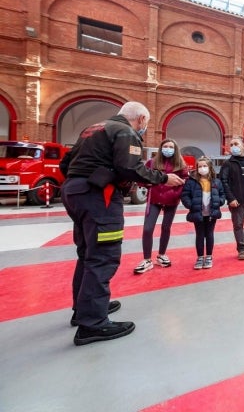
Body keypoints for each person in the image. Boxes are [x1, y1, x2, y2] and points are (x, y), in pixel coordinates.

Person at [60, 101, 185, 346]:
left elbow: (66, 164)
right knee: (103, 255)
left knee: (87, 253)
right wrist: (163, 178)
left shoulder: (92, 129)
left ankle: (84, 309)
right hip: (99, 196)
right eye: (145, 123)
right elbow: (130, 168)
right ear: (140, 118)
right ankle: (92, 324)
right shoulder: (125, 132)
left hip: (74, 192)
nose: (144, 127)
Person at [134, 138, 189, 274]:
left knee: (166, 228)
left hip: (172, 200)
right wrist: (150, 184)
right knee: (148, 229)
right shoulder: (152, 162)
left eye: (171, 147)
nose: (168, 149)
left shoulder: (181, 164)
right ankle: (147, 259)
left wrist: (177, 190)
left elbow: (186, 180)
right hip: (154, 200)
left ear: (175, 150)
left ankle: (162, 255)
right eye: (166, 146)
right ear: (161, 148)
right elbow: (141, 178)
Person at [180, 156, 225, 269]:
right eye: (200, 166)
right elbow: (185, 195)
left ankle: (209, 256)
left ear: (210, 167)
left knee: (209, 234)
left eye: (205, 166)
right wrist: (191, 205)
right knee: (199, 235)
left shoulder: (216, 181)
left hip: (212, 213)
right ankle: (200, 257)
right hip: (197, 213)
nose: (202, 168)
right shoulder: (191, 182)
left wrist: (219, 202)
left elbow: (222, 194)